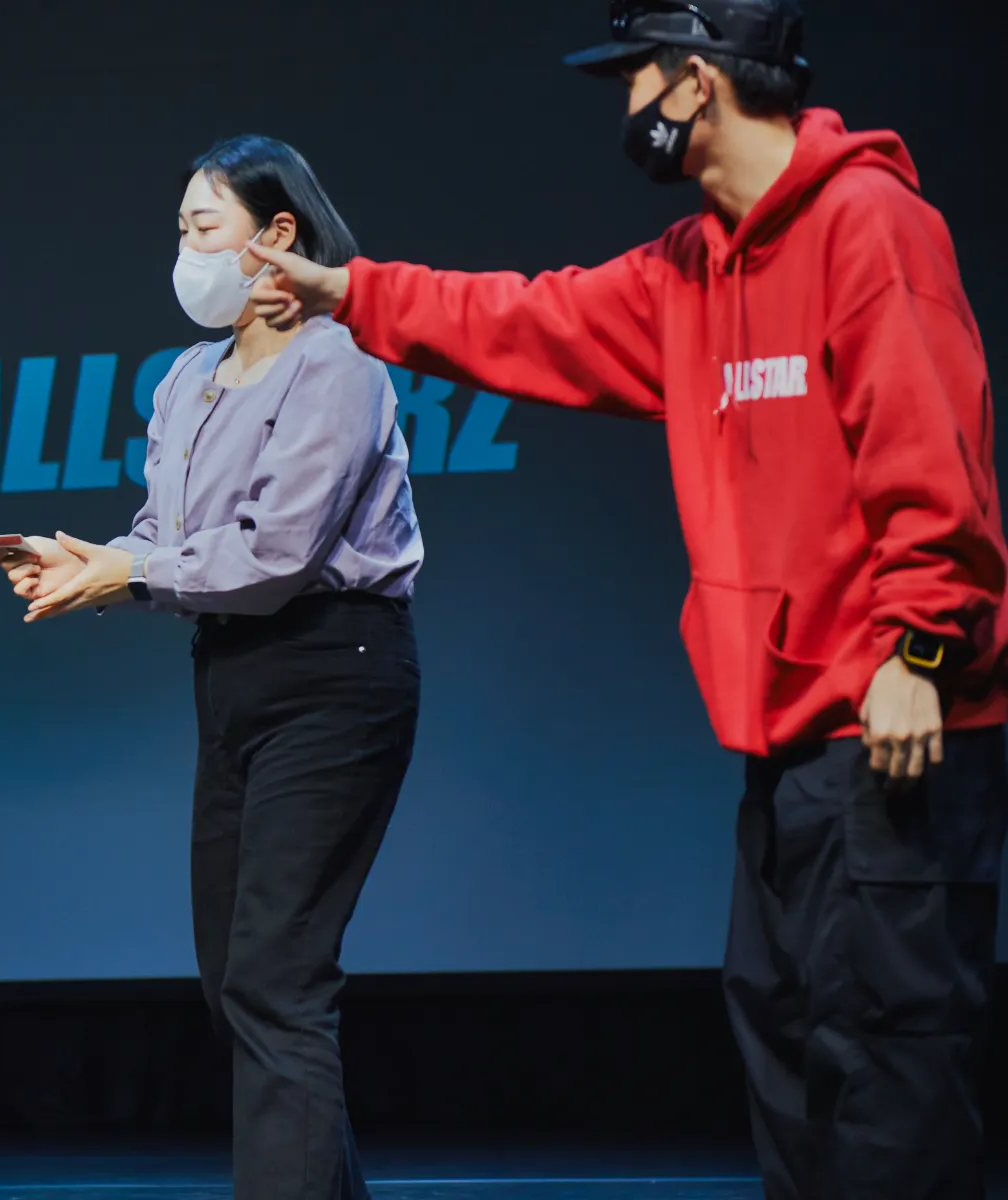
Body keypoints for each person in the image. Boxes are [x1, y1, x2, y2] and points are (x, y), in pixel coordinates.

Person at [247, 3, 1008, 1197]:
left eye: (637, 79)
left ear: (698, 81)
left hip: (896, 720)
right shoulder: (693, 266)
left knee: (890, 1074)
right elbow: (524, 318)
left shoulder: (871, 223)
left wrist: (917, 651)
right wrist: (350, 290)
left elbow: (932, 455)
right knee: (787, 1044)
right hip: (790, 746)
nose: (630, 105)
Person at [0, 135, 423, 1200]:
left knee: (278, 980)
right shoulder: (187, 377)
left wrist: (131, 573)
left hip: (334, 670)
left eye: (203, 227)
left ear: (277, 234)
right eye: (180, 230)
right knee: (237, 980)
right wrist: (91, 563)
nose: (184, 251)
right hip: (232, 673)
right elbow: (166, 535)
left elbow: (275, 555)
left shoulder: (338, 364)